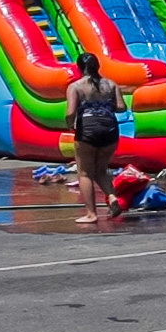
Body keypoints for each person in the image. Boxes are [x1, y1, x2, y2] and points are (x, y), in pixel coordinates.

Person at [65, 53, 124, 224]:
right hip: (110, 130)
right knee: (101, 170)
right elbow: (121, 107)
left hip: (88, 130)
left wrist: (70, 124)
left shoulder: (75, 87)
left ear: (79, 68)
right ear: (98, 66)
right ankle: (112, 197)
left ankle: (91, 213)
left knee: (85, 173)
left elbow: (70, 112)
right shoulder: (111, 84)